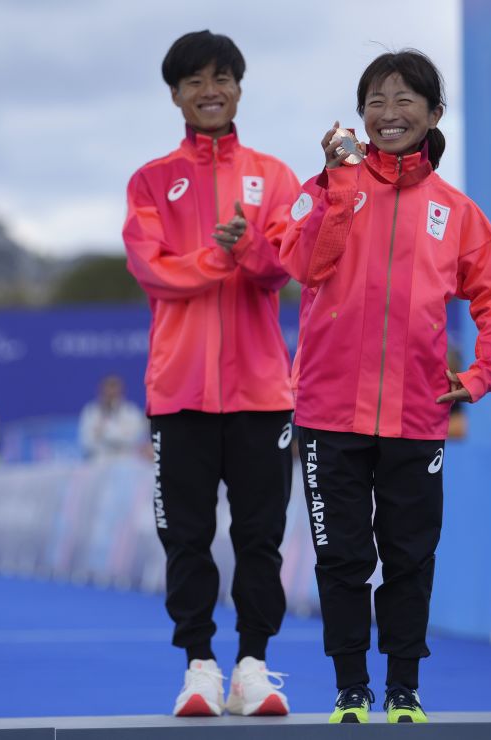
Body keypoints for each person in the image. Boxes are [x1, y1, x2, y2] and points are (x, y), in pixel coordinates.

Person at [279, 50, 491, 724]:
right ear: (361, 116)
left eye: (404, 99)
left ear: (434, 114)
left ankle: (405, 690)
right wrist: (339, 186)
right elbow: (300, 262)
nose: (389, 114)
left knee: (410, 557)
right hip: (329, 414)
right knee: (343, 557)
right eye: (376, 101)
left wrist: (477, 377)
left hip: (418, 418)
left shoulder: (457, 213)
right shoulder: (324, 188)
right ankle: (351, 687)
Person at [122, 30, 298, 718]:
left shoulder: (276, 177)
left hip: (261, 392)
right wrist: (218, 259)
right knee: (186, 537)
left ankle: (253, 664)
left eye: (221, 78)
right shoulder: (150, 181)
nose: (209, 91)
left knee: (260, 536)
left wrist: (248, 245)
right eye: (194, 81)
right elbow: (151, 269)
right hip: (181, 393)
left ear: (239, 88)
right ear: (174, 95)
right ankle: (199, 665)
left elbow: (282, 264)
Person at [77, 374, 148, 459]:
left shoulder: (131, 412)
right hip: (98, 458)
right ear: (101, 392)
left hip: (127, 459)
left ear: (121, 392)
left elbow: (136, 440)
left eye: (114, 392)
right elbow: (86, 441)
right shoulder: (90, 411)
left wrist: (104, 434)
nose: (111, 395)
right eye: (108, 392)